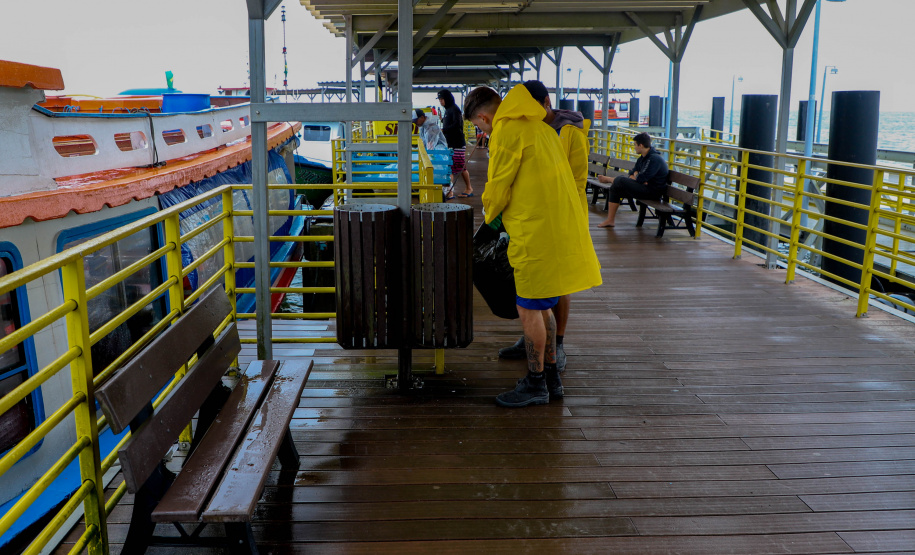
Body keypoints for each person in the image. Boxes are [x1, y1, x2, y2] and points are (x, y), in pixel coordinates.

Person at [463, 85, 602, 408]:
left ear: (484, 117)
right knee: (543, 305)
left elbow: (498, 187)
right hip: (555, 228)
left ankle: (535, 381)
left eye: (478, 126)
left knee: (528, 308)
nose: (481, 131)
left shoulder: (506, 132)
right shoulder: (539, 127)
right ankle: (551, 377)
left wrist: (488, 215)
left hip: (533, 233)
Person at [496, 80, 591, 372]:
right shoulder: (530, 127)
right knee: (534, 285)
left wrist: (570, 218)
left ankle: (557, 343)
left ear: (546, 102)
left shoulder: (569, 132)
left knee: (559, 283)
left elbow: (577, 179)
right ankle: (532, 338)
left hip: (563, 215)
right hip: (536, 216)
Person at [596, 132, 669, 228]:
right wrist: (637, 175)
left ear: (641, 145)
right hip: (644, 187)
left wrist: (638, 176)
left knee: (620, 180)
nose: (634, 147)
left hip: (653, 192)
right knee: (615, 187)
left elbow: (641, 178)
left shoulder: (654, 159)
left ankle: (610, 179)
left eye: (635, 145)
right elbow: (632, 173)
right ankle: (610, 220)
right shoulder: (642, 158)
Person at [437, 89, 474, 198]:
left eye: (442, 99)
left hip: (457, 143)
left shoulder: (454, 109)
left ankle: (450, 192)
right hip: (451, 143)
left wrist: (444, 130)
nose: (440, 101)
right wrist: (442, 121)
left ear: (447, 98)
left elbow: (457, 124)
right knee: (460, 167)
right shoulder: (448, 110)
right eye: (439, 99)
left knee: (452, 167)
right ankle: (467, 188)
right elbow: (450, 122)